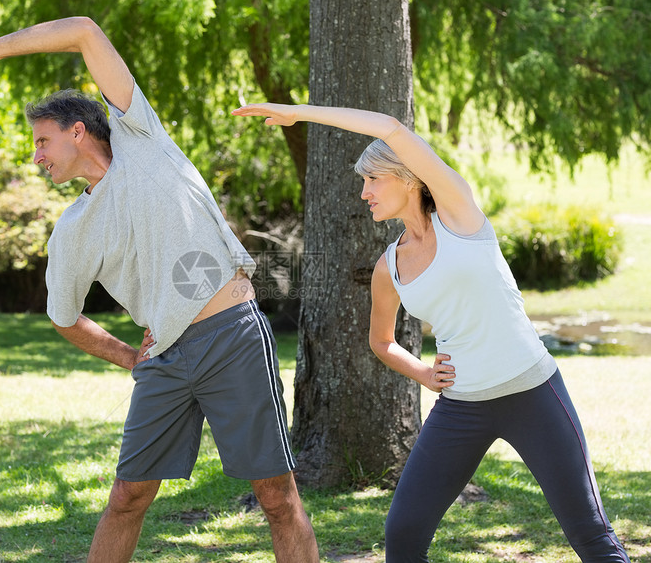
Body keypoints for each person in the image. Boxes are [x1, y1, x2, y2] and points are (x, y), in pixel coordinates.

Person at [0, 17, 319, 563]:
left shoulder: (139, 135)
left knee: (275, 496)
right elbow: (64, 317)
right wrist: (128, 356)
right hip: (164, 357)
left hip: (232, 335)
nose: (37, 156)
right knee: (127, 496)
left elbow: (84, 31)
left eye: (42, 141)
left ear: (78, 131)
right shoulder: (73, 230)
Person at [232, 102, 630, 563]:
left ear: (410, 178)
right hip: (461, 408)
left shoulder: (460, 215)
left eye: (373, 179)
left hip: (533, 393)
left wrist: (297, 112)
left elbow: (390, 127)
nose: (364, 193)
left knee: (592, 536)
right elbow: (380, 341)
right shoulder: (389, 268)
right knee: (402, 536)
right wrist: (421, 371)